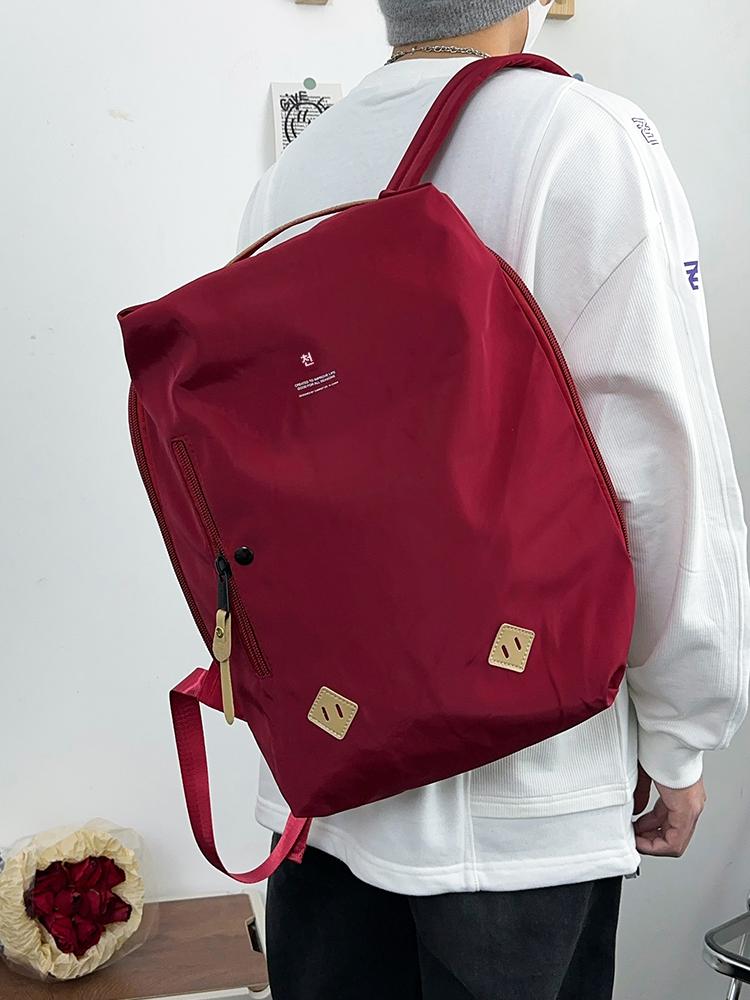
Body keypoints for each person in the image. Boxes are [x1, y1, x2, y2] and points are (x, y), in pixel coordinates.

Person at [237, 2, 750, 997]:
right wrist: (682, 736)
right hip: (521, 798)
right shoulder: (578, 137)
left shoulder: (296, 169)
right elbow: (658, 461)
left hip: (326, 781)